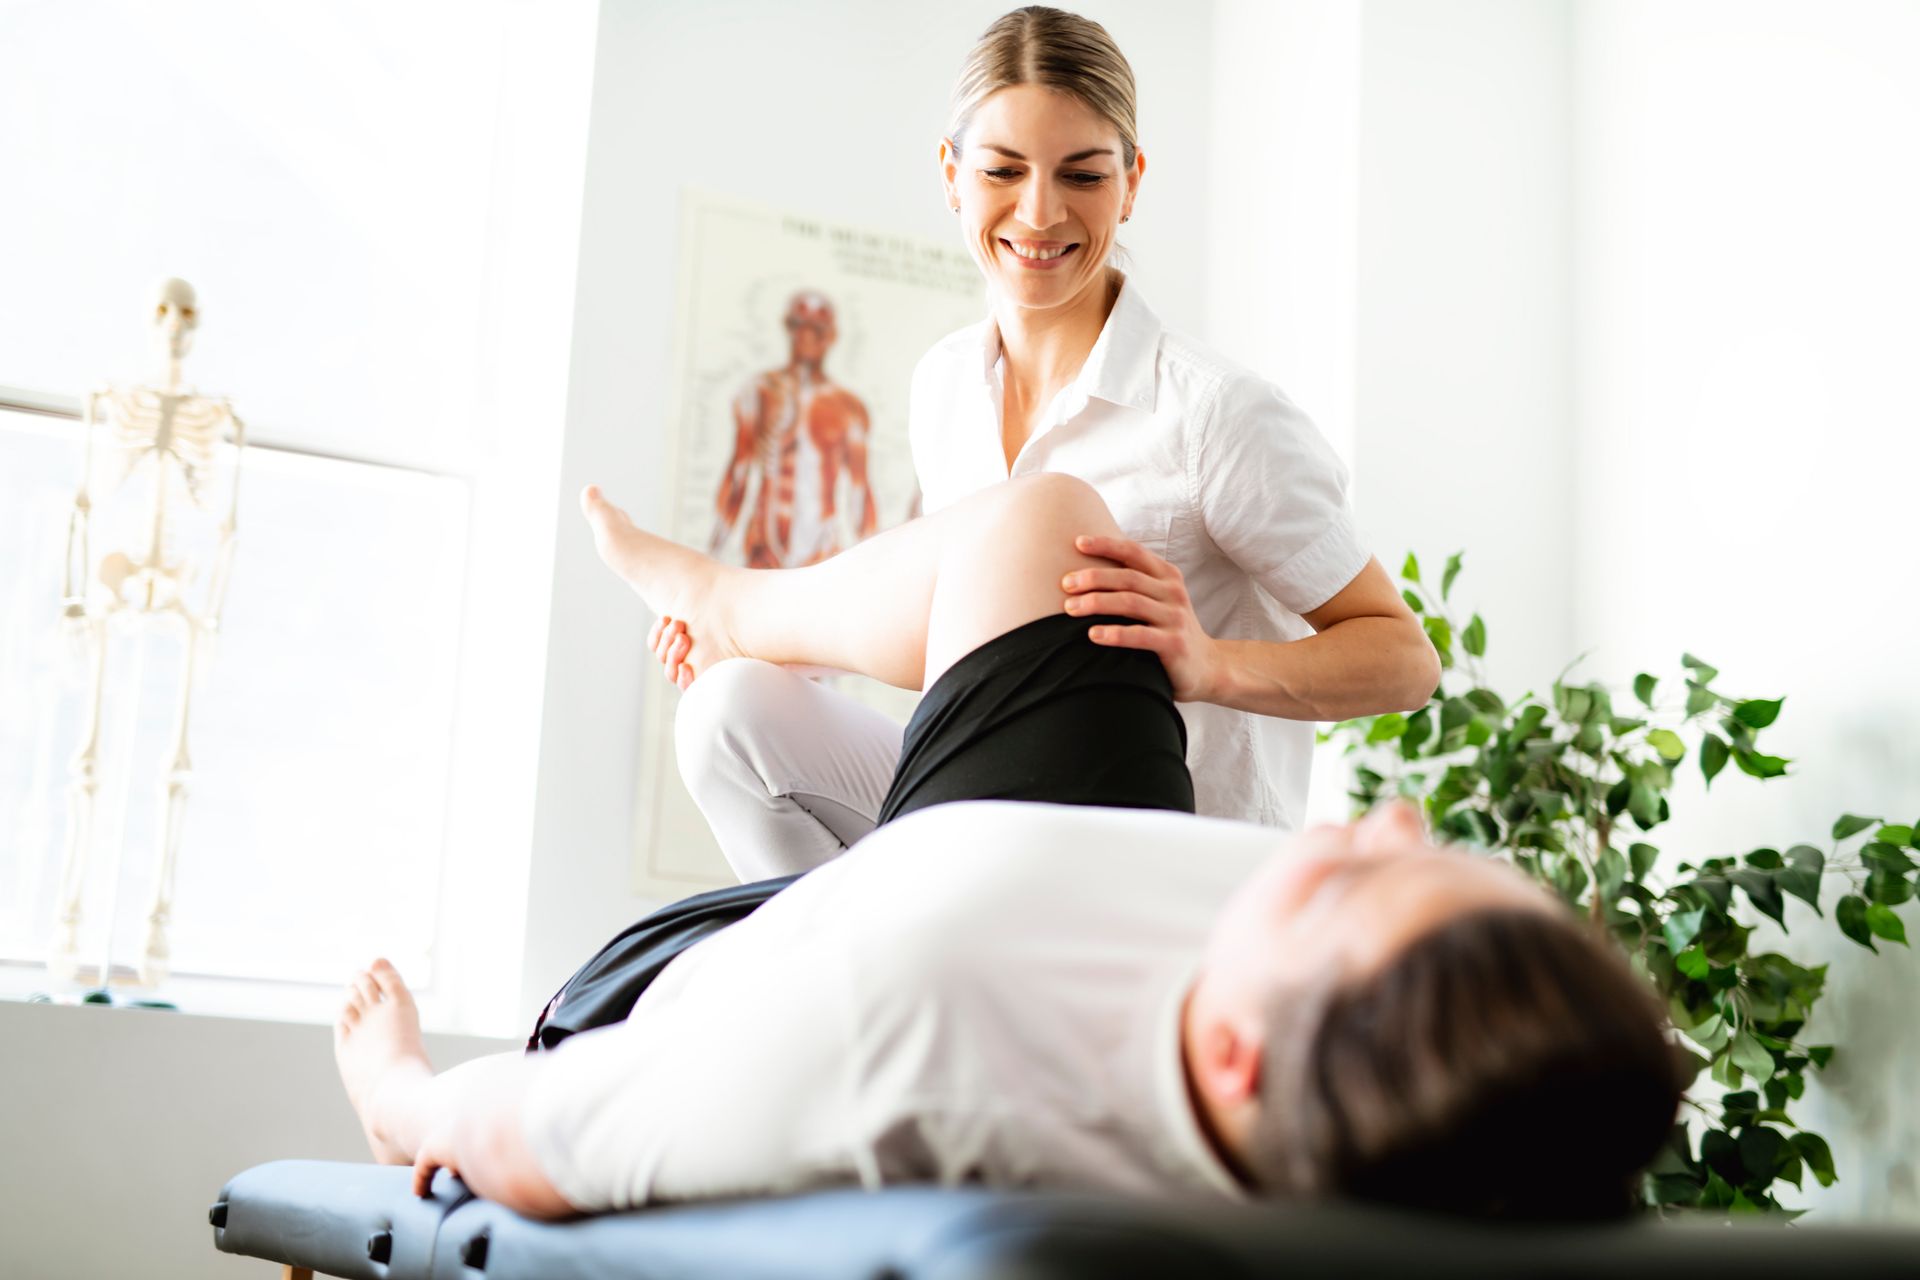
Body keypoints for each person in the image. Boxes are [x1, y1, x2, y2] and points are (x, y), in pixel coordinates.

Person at [330, 477, 1681, 1222]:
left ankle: (727, 609)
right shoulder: (1388, 1048)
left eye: (1355, 873)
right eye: (1437, 852)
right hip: (1040, 842)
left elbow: (530, 1138)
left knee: (756, 700)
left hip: (769, 960)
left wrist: (401, 1093)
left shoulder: (899, 1031)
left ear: (1232, 1054)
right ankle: (732, 610)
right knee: (1054, 532)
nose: (1383, 824)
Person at [650, 6, 1441, 881]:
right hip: (997, 808)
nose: (1039, 211)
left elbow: (1403, 660)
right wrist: (768, 643)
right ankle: (837, 961)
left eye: (1082, 175)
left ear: (1131, 183)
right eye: (1002, 169)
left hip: (1169, 861)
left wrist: (1212, 664)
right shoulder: (943, 386)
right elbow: (967, 651)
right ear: (951, 174)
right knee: (728, 713)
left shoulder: (1216, 416)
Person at [707, 290, 879, 570]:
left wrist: (877, 569)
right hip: (764, 550)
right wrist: (711, 556)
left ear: (830, 337)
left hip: (822, 557)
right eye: (799, 327)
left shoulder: (848, 409)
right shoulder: (759, 392)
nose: (807, 337)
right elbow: (738, 475)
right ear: (789, 330)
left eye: (817, 330)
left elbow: (860, 492)